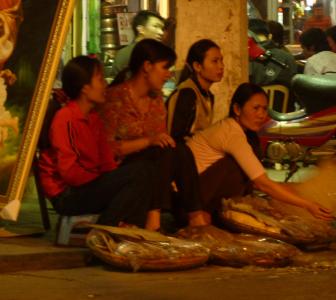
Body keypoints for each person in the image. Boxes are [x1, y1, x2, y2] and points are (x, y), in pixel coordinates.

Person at [38, 56, 160, 229]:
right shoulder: (65, 118)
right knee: (140, 172)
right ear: (85, 88)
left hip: (88, 185)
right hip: (67, 194)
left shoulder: (93, 118)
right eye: (100, 79)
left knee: (145, 168)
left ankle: (130, 228)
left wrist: (112, 180)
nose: (104, 84)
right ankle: (106, 229)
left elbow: (106, 161)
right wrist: (104, 181)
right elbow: (69, 172)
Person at [186, 82, 333, 221]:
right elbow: (263, 184)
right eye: (255, 108)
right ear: (237, 109)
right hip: (188, 201)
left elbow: (260, 181)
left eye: (264, 109)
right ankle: (205, 215)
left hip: (195, 193)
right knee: (233, 166)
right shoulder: (232, 134)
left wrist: (301, 191)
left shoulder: (240, 131)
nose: (261, 115)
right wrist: (308, 205)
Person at [102, 39, 209, 228]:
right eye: (165, 68)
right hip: (121, 171)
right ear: (147, 66)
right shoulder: (115, 98)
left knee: (178, 150)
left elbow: (162, 140)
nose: (169, 75)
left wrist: (155, 142)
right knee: (162, 151)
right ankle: (155, 218)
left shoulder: (156, 99)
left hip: (152, 166)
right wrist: (148, 141)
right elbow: (108, 150)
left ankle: (195, 216)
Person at [166, 39, 224, 142]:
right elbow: (176, 137)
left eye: (221, 60)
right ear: (197, 66)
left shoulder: (208, 95)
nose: (221, 66)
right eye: (215, 61)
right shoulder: (187, 94)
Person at [111, 10, 165, 78]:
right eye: (156, 26)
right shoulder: (126, 54)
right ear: (141, 29)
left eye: (162, 28)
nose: (161, 32)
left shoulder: (159, 53)